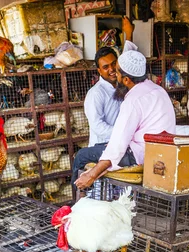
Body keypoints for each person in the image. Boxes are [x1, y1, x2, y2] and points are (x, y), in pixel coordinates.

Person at [73, 50, 176, 189]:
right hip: (160, 150)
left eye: (117, 71)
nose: (114, 73)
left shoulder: (133, 100)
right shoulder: (158, 90)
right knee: (98, 149)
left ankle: (76, 201)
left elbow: (118, 144)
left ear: (126, 80)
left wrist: (91, 175)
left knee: (81, 156)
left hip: (139, 154)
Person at [84, 16, 138, 147]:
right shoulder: (96, 94)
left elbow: (127, 55)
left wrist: (128, 34)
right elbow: (98, 126)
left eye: (114, 64)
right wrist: (124, 132)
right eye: (106, 67)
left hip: (122, 143)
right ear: (99, 71)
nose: (112, 69)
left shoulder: (122, 81)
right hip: (102, 146)